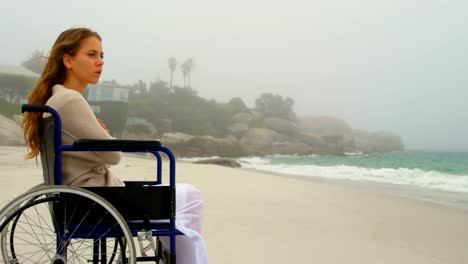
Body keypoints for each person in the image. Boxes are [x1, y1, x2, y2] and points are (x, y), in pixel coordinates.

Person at [22, 27, 209, 264]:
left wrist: (100, 135)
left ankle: (175, 258)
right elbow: (113, 156)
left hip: (79, 197)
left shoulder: (57, 99)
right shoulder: (70, 100)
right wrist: (106, 135)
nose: (99, 62)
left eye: (101, 55)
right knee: (192, 197)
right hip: (94, 198)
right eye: (91, 55)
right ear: (68, 60)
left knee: (179, 201)